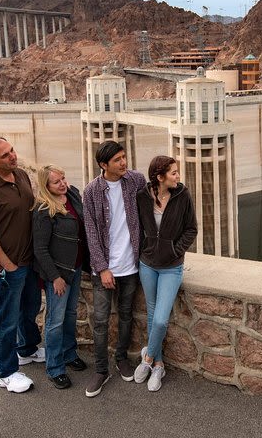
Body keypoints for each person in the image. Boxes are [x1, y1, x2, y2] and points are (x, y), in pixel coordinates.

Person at [0, 136, 44, 393]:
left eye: (12, 150)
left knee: (29, 309)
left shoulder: (21, 175)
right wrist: (8, 265)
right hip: (8, 268)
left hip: (29, 262)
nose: (12, 156)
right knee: (5, 320)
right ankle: (4, 372)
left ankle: (27, 350)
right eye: (4, 155)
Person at [83, 140, 146, 397]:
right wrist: (102, 268)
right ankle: (100, 370)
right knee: (100, 321)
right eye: (118, 160)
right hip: (105, 268)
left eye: (124, 157)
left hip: (131, 266)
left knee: (126, 315)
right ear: (103, 165)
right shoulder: (92, 191)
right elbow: (91, 232)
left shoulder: (136, 181)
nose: (124, 163)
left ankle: (121, 359)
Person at [133, 155, 197, 391]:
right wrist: (143, 249)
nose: (178, 177)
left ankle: (147, 357)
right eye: (173, 173)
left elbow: (191, 229)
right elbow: (137, 226)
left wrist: (174, 250)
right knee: (152, 316)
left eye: (177, 172)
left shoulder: (183, 196)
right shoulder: (142, 196)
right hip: (148, 263)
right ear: (159, 177)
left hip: (171, 266)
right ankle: (159, 365)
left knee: (160, 319)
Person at [32, 165, 90, 389]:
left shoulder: (72, 194)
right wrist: (55, 277)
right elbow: (40, 249)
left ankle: (68, 353)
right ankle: (55, 367)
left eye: (63, 178)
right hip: (59, 274)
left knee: (71, 314)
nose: (63, 183)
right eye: (56, 182)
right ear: (46, 186)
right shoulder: (43, 210)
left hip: (75, 268)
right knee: (55, 321)